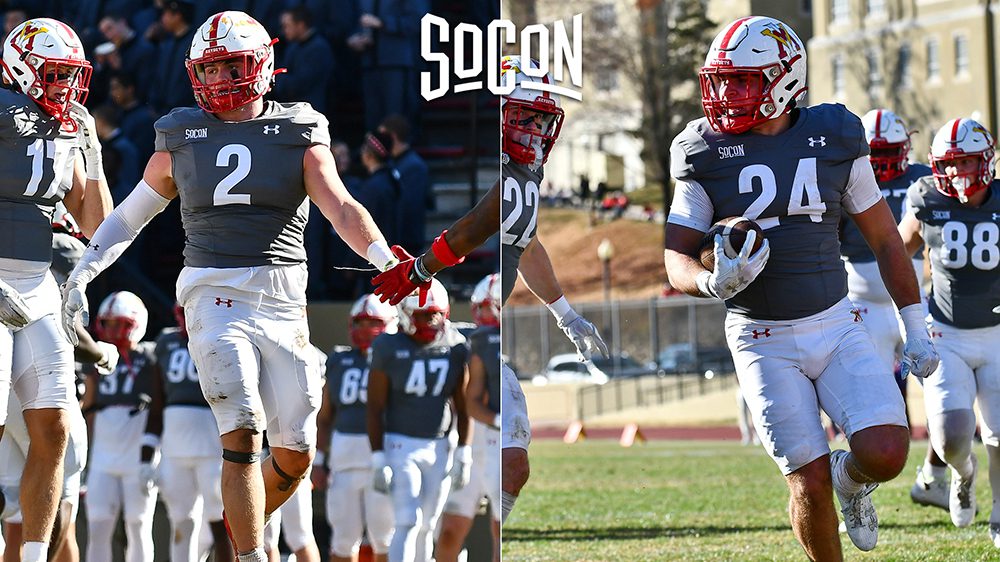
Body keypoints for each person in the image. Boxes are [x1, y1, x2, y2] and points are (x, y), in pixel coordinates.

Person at [61, 11, 399, 562]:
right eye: (209, 69)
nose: (218, 80)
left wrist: (383, 257)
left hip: (283, 293)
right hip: (211, 289)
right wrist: (84, 270)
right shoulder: (181, 133)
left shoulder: (298, 129)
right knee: (241, 427)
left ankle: (236, 539)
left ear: (262, 65)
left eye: (230, 66)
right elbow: (130, 216)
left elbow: (338, 205)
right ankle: (248, 555)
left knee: (296, 453)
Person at [661, 16, 939, 558]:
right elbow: (676, 257)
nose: (725, 95)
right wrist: (712, 281)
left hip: (836, 323)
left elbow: (885, 239)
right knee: (805, 481)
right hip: (760, 336)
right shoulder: (703, 148)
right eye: (721, 81)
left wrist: (915, 327)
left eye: (741, 81)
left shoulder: (834, 136)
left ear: (784, 80)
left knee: (886, 451)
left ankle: (852, 480)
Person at [374, 56, 607, 527]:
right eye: (524, 115)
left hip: (495, 340)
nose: (535, 128)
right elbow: (473, 228)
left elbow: (529, 239)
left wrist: (565, 313)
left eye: (542, 117)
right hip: (481, 342)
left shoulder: (530, 176)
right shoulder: (504, 171)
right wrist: (420, 270)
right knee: (504, 468)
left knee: (510, 470)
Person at [0, 17, 113, 562]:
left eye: (73, 75)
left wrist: (89, 146)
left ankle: (35, 556)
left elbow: (96, 224)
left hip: (38, 283)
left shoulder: (68, 125)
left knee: (55, 428)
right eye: (55, 73)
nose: (66, 86)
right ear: (21, 67)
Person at [897, 118, 1000, 543]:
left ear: (986, 162)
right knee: (952, 437)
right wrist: (909, 310)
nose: (958, 174)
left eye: (966, 163)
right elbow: (896, 252)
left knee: (999, 433)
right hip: (947, 332)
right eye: (950, 165)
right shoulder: (925, 198)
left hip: (997, 333)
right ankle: (963, 474)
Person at [366, 280, 471, 562]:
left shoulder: (455, 346)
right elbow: (375, 406)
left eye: (435, 313)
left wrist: (464, 451)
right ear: (405, 314)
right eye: (424, 314)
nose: (431, 320)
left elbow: (463, 404)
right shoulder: (388, 346)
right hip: (401, 442)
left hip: (440, 445)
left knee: (429, 523)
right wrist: (377, 458)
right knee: (407, 519)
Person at [315, 294, 397, 562]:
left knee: (385, 538)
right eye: (360, 322)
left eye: (373, 322)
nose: (365, 329)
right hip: (344, 460)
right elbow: (325, 415)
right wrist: (318, 460)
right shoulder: (339, 360)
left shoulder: (396, 360)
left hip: (383, 459)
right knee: (343, 539)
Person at [147, 304, 232, 562]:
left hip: (211, 444)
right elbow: (157, 397)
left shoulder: (221, 337)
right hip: (175, 445)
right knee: (181, 520)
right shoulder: (166, 341)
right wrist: (149, 447)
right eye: (184, 312)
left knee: (220, 519)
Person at [82, 291, 159, 562]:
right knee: (98, 526)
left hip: (136, 451)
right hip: (104, 454)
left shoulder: (150, 357)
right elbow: (88, 409)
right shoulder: (97, 359)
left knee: (139, 524)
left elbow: (159, 407)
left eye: (120, 324)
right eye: (109, 323)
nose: (113, 330)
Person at [436, 274, 502, 562]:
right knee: (450, 529)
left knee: (501, 530)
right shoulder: (467, 338)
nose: (482, 313)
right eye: (481, 306)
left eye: (489, 306)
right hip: (469, 443)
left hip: (501, 442)